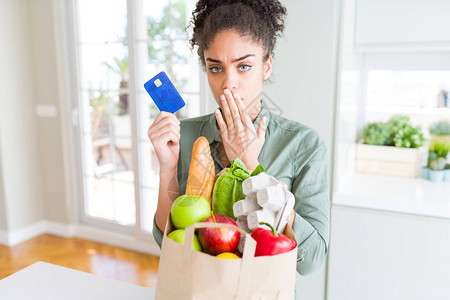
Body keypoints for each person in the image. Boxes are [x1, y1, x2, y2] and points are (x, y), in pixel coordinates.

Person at [148, 0, 330, 276]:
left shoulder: (303, 145)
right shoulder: (184, 135)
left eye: (243, 66)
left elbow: (311, 261)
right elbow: (167, 243)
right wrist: (168, 168)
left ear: (266, 66)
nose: (228, 83)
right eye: (216, 68)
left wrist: (250, 165)